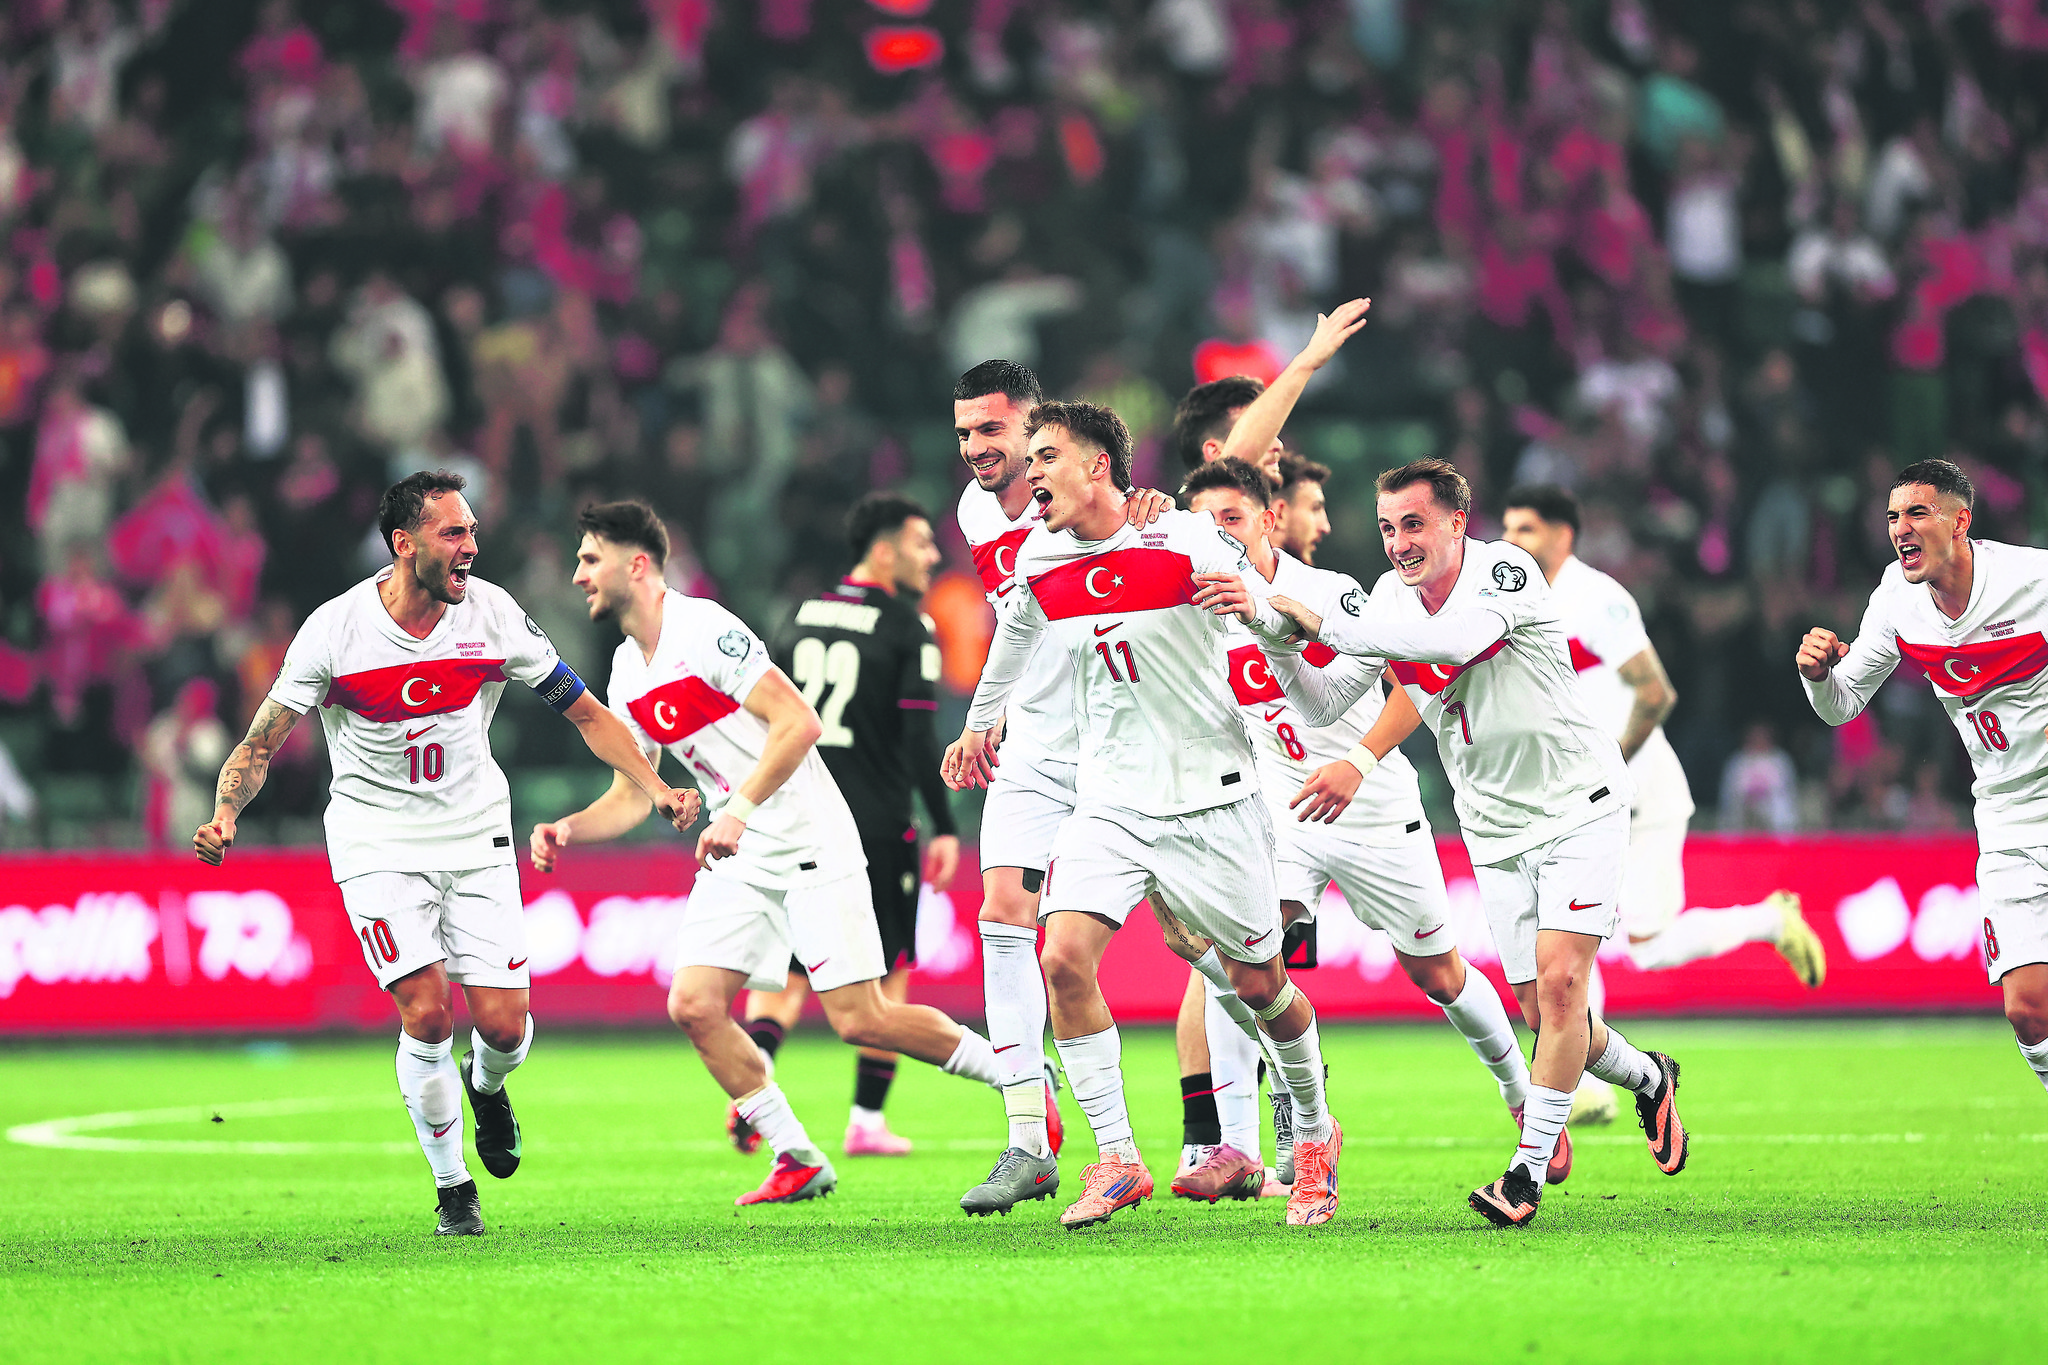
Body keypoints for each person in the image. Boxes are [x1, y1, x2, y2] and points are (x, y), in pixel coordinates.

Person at [193, 471, 701, 1237]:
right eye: (453, 533)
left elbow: (587, 713)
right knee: (427, 1013)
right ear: (405, 543)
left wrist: (654, 785)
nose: (471, 546)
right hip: (376, 841)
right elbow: (260, 742)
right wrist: (226, 812)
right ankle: (453, 1185)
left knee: (504, 1028)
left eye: (472, 531)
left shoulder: (493, 614)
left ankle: (487, 1086)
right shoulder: (335, 630)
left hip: (474, 835)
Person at [531, 500, 1008, 1208]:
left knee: (862, 1018)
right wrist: (569, 827)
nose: (578, 575)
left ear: (637, 565)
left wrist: (738, 810)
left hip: (807, 832)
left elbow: (799, 722)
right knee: (694, 1004)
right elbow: (632, 793)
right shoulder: (627, 671)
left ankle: (1020, 1076)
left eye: (590, 559)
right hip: (740, 849)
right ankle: (798, 1156)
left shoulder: (705, 629)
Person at [944, 401, 1344, 1230]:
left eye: (1046, 456)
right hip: (1112, 800)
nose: (1030, 471)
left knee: (1261, 985)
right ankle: (1119, 1157)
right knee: (1062, 959)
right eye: (1030, 456)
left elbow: (1269, 617)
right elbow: (1012, 640)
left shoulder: (1184, 537)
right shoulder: (1040, 555)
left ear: (1098, 466)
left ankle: (1314, 1130)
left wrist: (1258, 609)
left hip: (1213, 799)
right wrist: (980, 724)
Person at [1264, 459, 1689, 1228]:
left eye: (1414, 523)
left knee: (1562, 985)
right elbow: (1325, 700)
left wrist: (1326, 623)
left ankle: (1524, 1174)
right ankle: (1649, 1077)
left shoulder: (1506, 573)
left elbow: (1452, 642)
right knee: (1543, 1010)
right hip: (1492, 825)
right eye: (1388, 527)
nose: (1399, 542)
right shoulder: (1389, 600)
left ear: (1458, 522)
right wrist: (1277, 640)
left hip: (1579, 804)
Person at [1179, 456, 1555, 1202]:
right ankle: (1251, 1141)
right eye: (1202, 524)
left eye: (1230, 519)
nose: (1216, 535)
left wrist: (1356, 758)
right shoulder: (1196, 613)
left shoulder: (1335, 594)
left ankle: (1522, 1093)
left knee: (1439, 975)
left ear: (1268, 520)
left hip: (1374, 810)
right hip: (1283, 816)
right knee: (1244, 960)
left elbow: (1411, 682)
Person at [1501, 484, 1826, 1125]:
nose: (1512, 542)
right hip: (1579, 795)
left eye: (1526, 529)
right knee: (1581, 934)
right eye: (1507, 529)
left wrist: (1609, 762)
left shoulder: (1597, 599)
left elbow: (1656, 693)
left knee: (1623, 943)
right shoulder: (1517, 604)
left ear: (1563, 535)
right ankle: (1581, 1083)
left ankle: (1770, 922)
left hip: (1640, 790)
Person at [949, 361, 1167, 1217]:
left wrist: (1151, 508)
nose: (976, 448)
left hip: (1124, 744)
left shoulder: (1115, 507)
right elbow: (1017, 628)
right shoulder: (975, 513)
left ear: (1036, 428)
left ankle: (1246, 1119)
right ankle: (1029, 1143)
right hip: (1035, 744)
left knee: (1209, 947)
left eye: (991, 430)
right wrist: (986, 718)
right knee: (1002, 914)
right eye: (964, 432)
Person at [1161, 301, 1371, 1191]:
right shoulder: (1185, 535)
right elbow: (1245, 453)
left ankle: (1252, 1136)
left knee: (1240, 970)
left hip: (1268, 788)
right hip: (1200, 779)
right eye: (1265, 446)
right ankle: (1243, 1137)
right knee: (1222, 965)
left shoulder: (1266, 567)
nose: (1277, 455)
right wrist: (1308, 361)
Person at [1797, 460, 2048, 1133]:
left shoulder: (2033, 581)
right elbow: (1843, 704)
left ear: (1961, 521)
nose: (1900, 528)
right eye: (1892, 517)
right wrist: (1819, 676)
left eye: (1917, 513)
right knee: (2028, 1009)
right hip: (2006, 816)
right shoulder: (1896, 600)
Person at [739, 493, 968, 1158]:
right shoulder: (907, 625)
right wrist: (943, 823)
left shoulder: (801, 613)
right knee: (886, 970)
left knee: (787, 971)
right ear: (884, 550)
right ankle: (867, 1119)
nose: (933, 556)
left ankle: (752, 1086)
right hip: (876, 819)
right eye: (921, 543)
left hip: (796, 813)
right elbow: (919, 737)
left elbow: (762, 716)